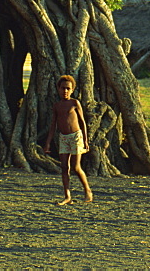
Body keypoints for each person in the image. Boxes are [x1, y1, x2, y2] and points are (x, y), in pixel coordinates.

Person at [43, 75, 93, 204]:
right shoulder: (57, 106)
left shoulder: (74, 103)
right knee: (64, 167)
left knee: (76, 167)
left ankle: (87, 191)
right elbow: (53, 125)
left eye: (68, 88)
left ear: (72, 90)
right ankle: (67, 196)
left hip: (76, 136)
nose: (65, 91)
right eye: (62, 88)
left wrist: (86, 140)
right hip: (63, 138)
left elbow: (82, 122)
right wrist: (48, 143)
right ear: (58, 89)